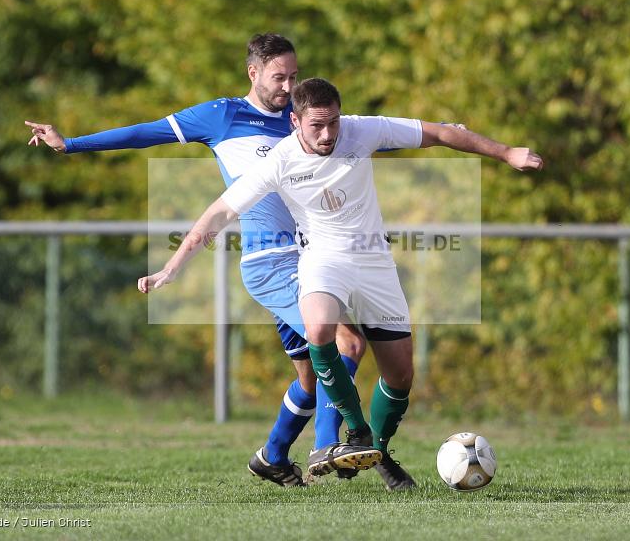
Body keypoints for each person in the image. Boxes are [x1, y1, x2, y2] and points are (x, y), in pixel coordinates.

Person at [138, 77, 543, 491]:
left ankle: (376, 448)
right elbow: (218, 214)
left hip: (374, 263)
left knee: (401, 374)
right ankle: (351, 433)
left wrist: (506, 152)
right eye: (317, 125)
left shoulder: (361, 129)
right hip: (322, 260)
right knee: (320, 330)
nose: (328, 133)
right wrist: (171, 268)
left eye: (333, 122)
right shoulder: (278, 161)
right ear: (294, 121)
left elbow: (440, 133)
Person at [24, 35, 376, 488]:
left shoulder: (304, 118)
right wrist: (69, 144)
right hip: (274, 260)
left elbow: (365, 137)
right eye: (279, 77)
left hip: (314, 257)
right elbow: (143, 132)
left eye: (293, 75)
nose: (290, 85)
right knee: (345, 344)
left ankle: (272, 456)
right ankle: (328, 448)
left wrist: (445, 134)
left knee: (311, 378)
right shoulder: (222, 116)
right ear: (253, 73)